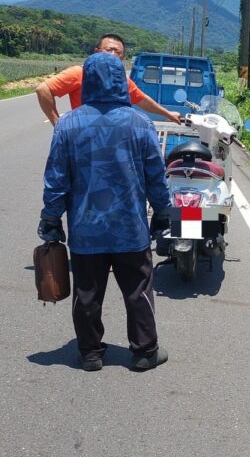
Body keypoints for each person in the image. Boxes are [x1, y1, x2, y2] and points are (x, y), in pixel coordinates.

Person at [38, 51, 172, 373]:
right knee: (138, 291)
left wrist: (51, 219)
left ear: (87, 80)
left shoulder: (68, 124)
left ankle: (90, 353)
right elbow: (156, 175)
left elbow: (56, 179)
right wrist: (164, 212)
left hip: (86, 231)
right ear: (120, 80)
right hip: (130, 228)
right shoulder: (140, 123)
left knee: (87, 293)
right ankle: (144, 352)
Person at [35, 33, 181, 126]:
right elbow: (43, 89)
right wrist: (56, 123)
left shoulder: (122, 80)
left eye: (118, 52)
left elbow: (142, 100)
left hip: (111, 135)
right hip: (82, 133)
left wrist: (168, 114)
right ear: (96, 51)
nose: (112, 54)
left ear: (122, 58)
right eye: (108, 49)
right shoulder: (79, 73)